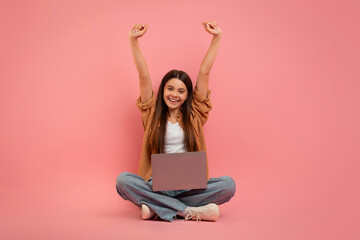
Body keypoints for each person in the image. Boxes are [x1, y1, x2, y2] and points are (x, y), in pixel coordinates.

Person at [116, 21, 236, 222]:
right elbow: (143, 75)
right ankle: (187, 211)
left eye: (181, 91)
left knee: (228, 185)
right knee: (123, 181)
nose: (174, 95)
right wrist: (133, 41)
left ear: (188, 95)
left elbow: (204, 72)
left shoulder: (195, 115)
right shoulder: (152, 114)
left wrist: (217, 38)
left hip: (190, 185)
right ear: (163, 90)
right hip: (158, 184)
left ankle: (156, 208)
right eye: (170, 89)